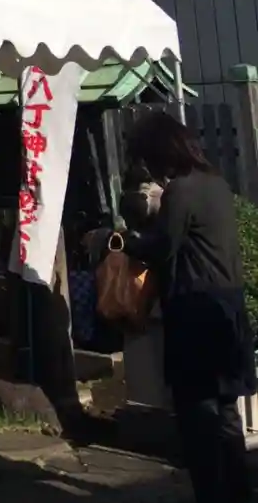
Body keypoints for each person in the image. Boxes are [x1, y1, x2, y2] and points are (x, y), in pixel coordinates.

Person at [120, 110, 255, 502]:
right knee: (226, 416)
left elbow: (163, 247)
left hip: (196, 316)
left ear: (161, 153)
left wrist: (123, 241)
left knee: (198, 421)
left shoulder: (181, 190)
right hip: (227, 311)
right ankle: (240, 493)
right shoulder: (216, 184)